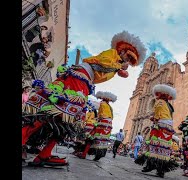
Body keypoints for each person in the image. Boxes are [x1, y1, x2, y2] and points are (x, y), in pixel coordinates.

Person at [22, 30, 146, 166]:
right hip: (80, 78)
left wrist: (117, 69)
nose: (127, 60)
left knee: (62, 115)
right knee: (60, 112)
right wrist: (118, 67)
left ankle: (44, 154)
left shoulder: (115, 61)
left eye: (129, 60)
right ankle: (36, 149)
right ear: (122, 50)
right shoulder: (112, 54)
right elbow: (99, 64)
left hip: (83, 80)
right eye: (127, 56)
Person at [135, 84, 178, 178]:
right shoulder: (168, 105)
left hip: (160, 126)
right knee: (164, 148)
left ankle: (150, 165)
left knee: (154, 145)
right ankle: (161, 169)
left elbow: (157, 113)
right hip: (168, 127)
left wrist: (153, 118)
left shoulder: (160, 102)